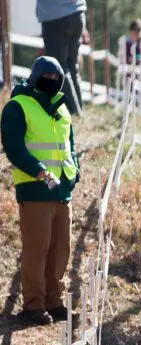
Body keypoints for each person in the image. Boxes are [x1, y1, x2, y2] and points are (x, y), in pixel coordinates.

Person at [1, 56, 80, 325]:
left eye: (56, 81)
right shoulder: (17, 106)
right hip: (35, 190)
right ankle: (33, 305)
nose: (52, 84)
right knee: (37, 248)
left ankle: (54, 301)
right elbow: (14, 147)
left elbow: (70, 147)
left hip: (62, 191)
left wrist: (75, 172)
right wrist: (38, 170)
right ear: (35, 78)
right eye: (47, 79)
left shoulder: (62, 108)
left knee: (61, 248)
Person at [36, 0, 89, 115]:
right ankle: (79, 108)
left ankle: (74, 112)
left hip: (55, 17)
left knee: (58, 68)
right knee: (72, 65)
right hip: (77, 12)